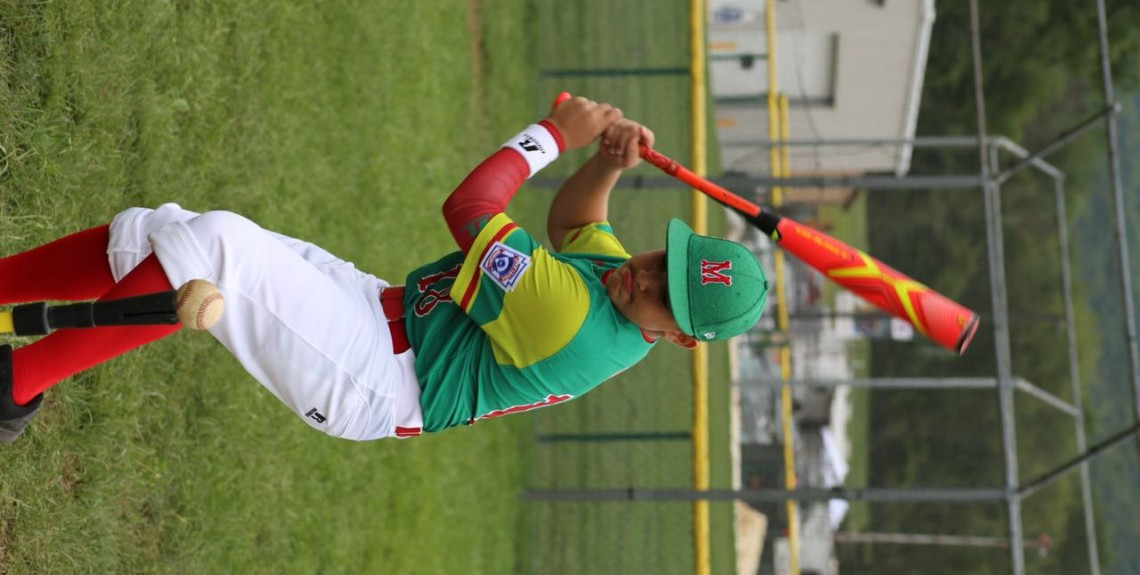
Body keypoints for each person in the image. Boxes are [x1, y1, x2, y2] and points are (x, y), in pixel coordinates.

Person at [0, 96, 768, 442]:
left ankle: (14, 386)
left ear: (678, 340)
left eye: (667, 296)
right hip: (379, 314)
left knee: (215, 246)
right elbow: (576, 224)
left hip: (374, 375)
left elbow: (469, 207)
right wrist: (605, 163)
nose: (646, 275)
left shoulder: (571, 314)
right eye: (665, 259)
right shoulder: (614, 283)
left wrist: (550, 136)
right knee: (159, 232)